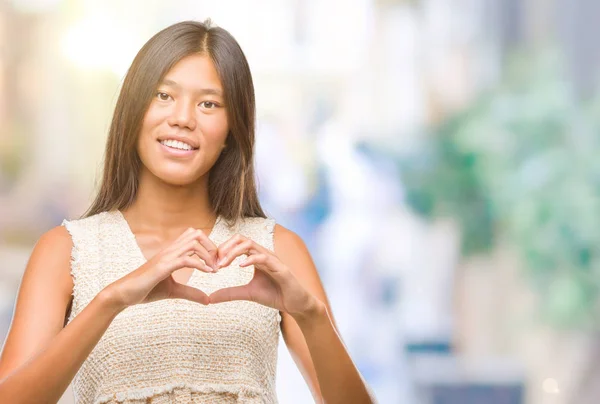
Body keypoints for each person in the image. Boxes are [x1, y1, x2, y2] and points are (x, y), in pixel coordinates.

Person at [0, 20, 374, 403]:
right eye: (164, 95)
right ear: (133, 108)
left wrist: (312, 317)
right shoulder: (66, 251)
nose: (182, 118)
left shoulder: (276, 250)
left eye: (209, 104)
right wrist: (111, 301)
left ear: (232, 128)